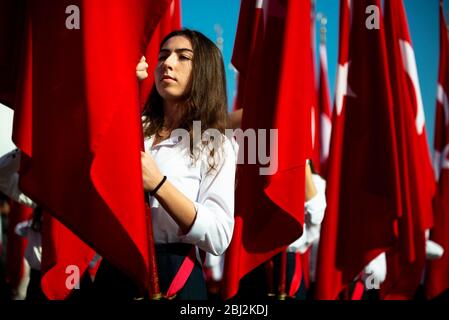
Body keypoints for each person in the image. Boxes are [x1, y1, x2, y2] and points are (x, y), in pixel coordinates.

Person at [94, 29, 238, 300]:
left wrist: (159, 184)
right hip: (115, 270)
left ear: (205, 72)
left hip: (174, 275)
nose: (167, 63)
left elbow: (219, 235)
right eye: (162, 56)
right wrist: (121, 88)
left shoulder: (216, 145)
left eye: (183, 57)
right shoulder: (131, 125)